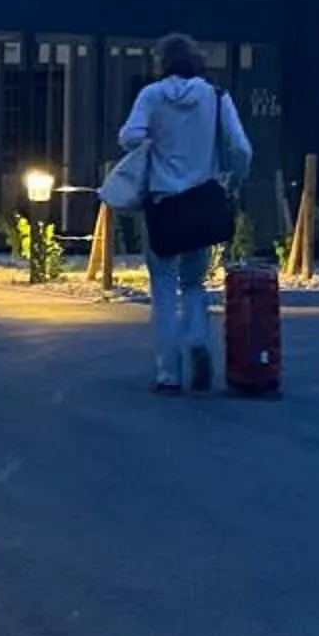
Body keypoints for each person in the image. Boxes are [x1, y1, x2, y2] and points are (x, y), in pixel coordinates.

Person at [118, 34, 253, 396]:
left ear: (161, 62)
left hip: (164, 206)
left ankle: (168, 374)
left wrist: (153, 142)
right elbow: (241, 147)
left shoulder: (151, 95)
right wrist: (232, 182)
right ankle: (197, 338)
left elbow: (129, 136)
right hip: (202, 204)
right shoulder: (217, 96)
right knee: (194, 283)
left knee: (162, 289)